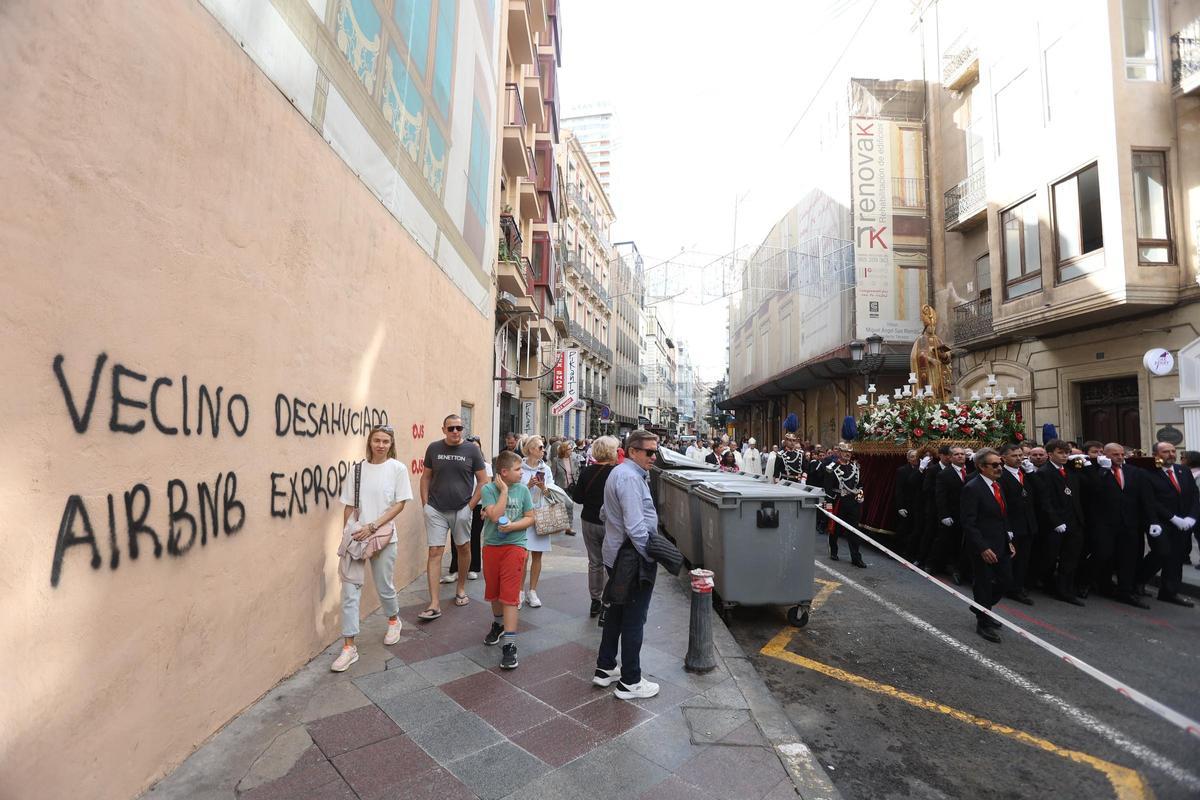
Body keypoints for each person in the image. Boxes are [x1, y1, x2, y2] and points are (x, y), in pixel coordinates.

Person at [331, 425, 413, 671]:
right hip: (357, 538)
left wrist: (373, 526)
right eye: (377, 440)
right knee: (349, 591)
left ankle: (393, 620)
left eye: (385, 441)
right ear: (370, 442)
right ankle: (349, 647)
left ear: (391, 444)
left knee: (384, 585)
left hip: (383, 537)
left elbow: (399, 504)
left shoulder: (397, 469)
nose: (380, 445)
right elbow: (349, 505)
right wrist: (348, 535)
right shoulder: (357, 470)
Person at [593, 430, 661, 699]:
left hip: (617, 555)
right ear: (633, 451)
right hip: (631, 559)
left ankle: (605, 667)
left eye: (656, 451)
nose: (654, 457)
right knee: (634, 619)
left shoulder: (619, 472)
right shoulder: (631, 478)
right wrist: (650, 555)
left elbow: (604, 512)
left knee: (617, 613)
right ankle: (630, 681)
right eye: (649, 452)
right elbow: (635, 526)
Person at [418, 415, 488, 621]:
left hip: (462, 509)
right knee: (434, 551)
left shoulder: (472, 450)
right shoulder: (433, 448)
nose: (455, 431)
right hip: (436, 509)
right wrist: (425, 505)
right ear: (444, 430)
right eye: (451, 428)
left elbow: (483, 481)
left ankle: (461, 589)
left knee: (463, 548)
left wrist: (470, 507)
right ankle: (434, 603)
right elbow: (425, 477)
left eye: (459, 428)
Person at [479, 451, 536, 670]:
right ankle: (498, 624)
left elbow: (530, 518)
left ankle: (510, 644)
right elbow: (495, 516)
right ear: (504, 472)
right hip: (492, 546)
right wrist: (503, 491)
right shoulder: (488, 490)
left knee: (510, 595)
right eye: (518, 469)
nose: (522, 473)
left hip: (515, 546)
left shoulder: (523, 490)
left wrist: (512, 526)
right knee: (494, 591)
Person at [959, 449, 1015, 643]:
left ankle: (981, 607)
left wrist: (1008, 540)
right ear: (982, 467)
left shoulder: (997, 485)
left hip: (1000, 542)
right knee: (983, 583)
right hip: (982, 545)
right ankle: (983, 622)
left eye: (1000, 464)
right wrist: (982, 547)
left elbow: (1002, 515)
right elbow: (968, 522)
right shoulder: (973, 488)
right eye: (995, 465)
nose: (999, 468)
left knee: (1006, 580)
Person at [1137, 441, 1198, 607]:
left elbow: (1194, 495)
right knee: (1161, 552)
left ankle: (1169, 592)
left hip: (1183, 523)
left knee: (1176, 557)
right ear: (1156, 455)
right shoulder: (1147, 473)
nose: (1171, 454)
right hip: (1160, 522)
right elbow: (1151, 500)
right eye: (1165, 452)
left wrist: (1192, 517)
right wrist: (1173, 518)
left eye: (1173, 451)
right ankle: (1138, 580)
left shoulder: (1183, 470)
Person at [1100, 442, 1155, 608]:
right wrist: (1103, 470)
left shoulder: (1135, 472)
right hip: (1106, 524)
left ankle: (1126, 591)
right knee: (1106, 557)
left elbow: (1145, 499)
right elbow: (1094, 492)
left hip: (1130, 524)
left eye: (1122, 454)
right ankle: (1103, 586)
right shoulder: (1099, 471)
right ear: (1105, 455)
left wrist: (1152, 521)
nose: (1120, 457)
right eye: (1115, 454)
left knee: (1128, 559)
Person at [571, 435, 619, 617]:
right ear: (611, 452)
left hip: (589, 520)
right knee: (611, 561)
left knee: (594, 561)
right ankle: (607, 601)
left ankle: (595, 600)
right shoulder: (617, 473)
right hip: (611, 523)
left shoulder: (587, 472)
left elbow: (578, 498)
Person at [1036, 439, 1085, 606]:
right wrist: (1056, 521)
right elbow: (1045, 500)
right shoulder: (1044, 472)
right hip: (1056, 524)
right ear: (1050, 454)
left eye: (1067, 453)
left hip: (1074, 521)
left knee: (1070, 558)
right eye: (1061, 453)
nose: (1065, 456)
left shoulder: (1070, 471)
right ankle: (1047, 583)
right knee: (1049, 557)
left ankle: (1065, 590)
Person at [519, 435, 557, 609]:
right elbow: (514, 491)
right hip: (523, 515)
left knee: (537, 555)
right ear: (531, 449)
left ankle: (532, 591)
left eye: (543, 447)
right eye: (540, 447)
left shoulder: (545, 469)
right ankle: (519, 591)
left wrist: (544, 487)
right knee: (523, 556)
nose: (543, 450)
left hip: (541, 515)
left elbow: (552, 494)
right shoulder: (519, 466)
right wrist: (527, 485)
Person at [998, 443, 1038, 605]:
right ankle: (1008, 586)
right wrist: (1006, 527)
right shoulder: (1001, 475)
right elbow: (1002, 504)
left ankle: (1018, 587)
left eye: (1020, 455)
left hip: (1028, 523)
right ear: (1004, 458)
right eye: (1014, 456)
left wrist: (1031, 474)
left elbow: (1040, 492)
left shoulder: (1025, 473)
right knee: (1010, 559)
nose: (1019, 459)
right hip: (1012, 524)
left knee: (1024, 559)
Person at [448, 435, 488, 582]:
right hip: (461, 503)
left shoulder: (486, 465)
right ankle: (455, 569)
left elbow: (487, 486)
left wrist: (486, 507)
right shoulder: (460, 462)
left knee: (474, 537)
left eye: (477, 447)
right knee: (456, 537)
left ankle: (473, 568)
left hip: (478, 505)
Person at [821, 443, 867, 567]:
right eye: (845, 451)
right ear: (839, 452)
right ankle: (833, 551)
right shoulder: (831, 467)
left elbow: (860, 485)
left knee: (854, 530)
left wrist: (860, 496)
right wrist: (829, 507)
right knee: (834, 529)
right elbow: (828, 488)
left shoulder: (855, 467)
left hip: (853, 502)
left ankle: (856, 557)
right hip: (838, 501)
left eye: (850, 452)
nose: (848, 454)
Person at [934, 446, 971, 585]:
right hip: (953, 514)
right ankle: (953, 568)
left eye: (962, 454)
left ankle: (966, 569)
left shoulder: (971, 471)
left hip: (969, 513)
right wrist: (944, 515)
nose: (960, 456)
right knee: (952, 542)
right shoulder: (944, 474)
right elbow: (940, 496)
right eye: (956, 454)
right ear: (950, 457)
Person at [893, 449, 921, 558]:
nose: (915, 459)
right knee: (903, 528)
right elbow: (899, 490)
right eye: (912, 457)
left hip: (917, 504)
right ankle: (896, 551)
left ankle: (909, 552)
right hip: (906, 504)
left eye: (917, 456)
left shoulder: (922, 469)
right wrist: (900, 507)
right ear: (908, 459)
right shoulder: (902, 470)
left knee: (914, 529)